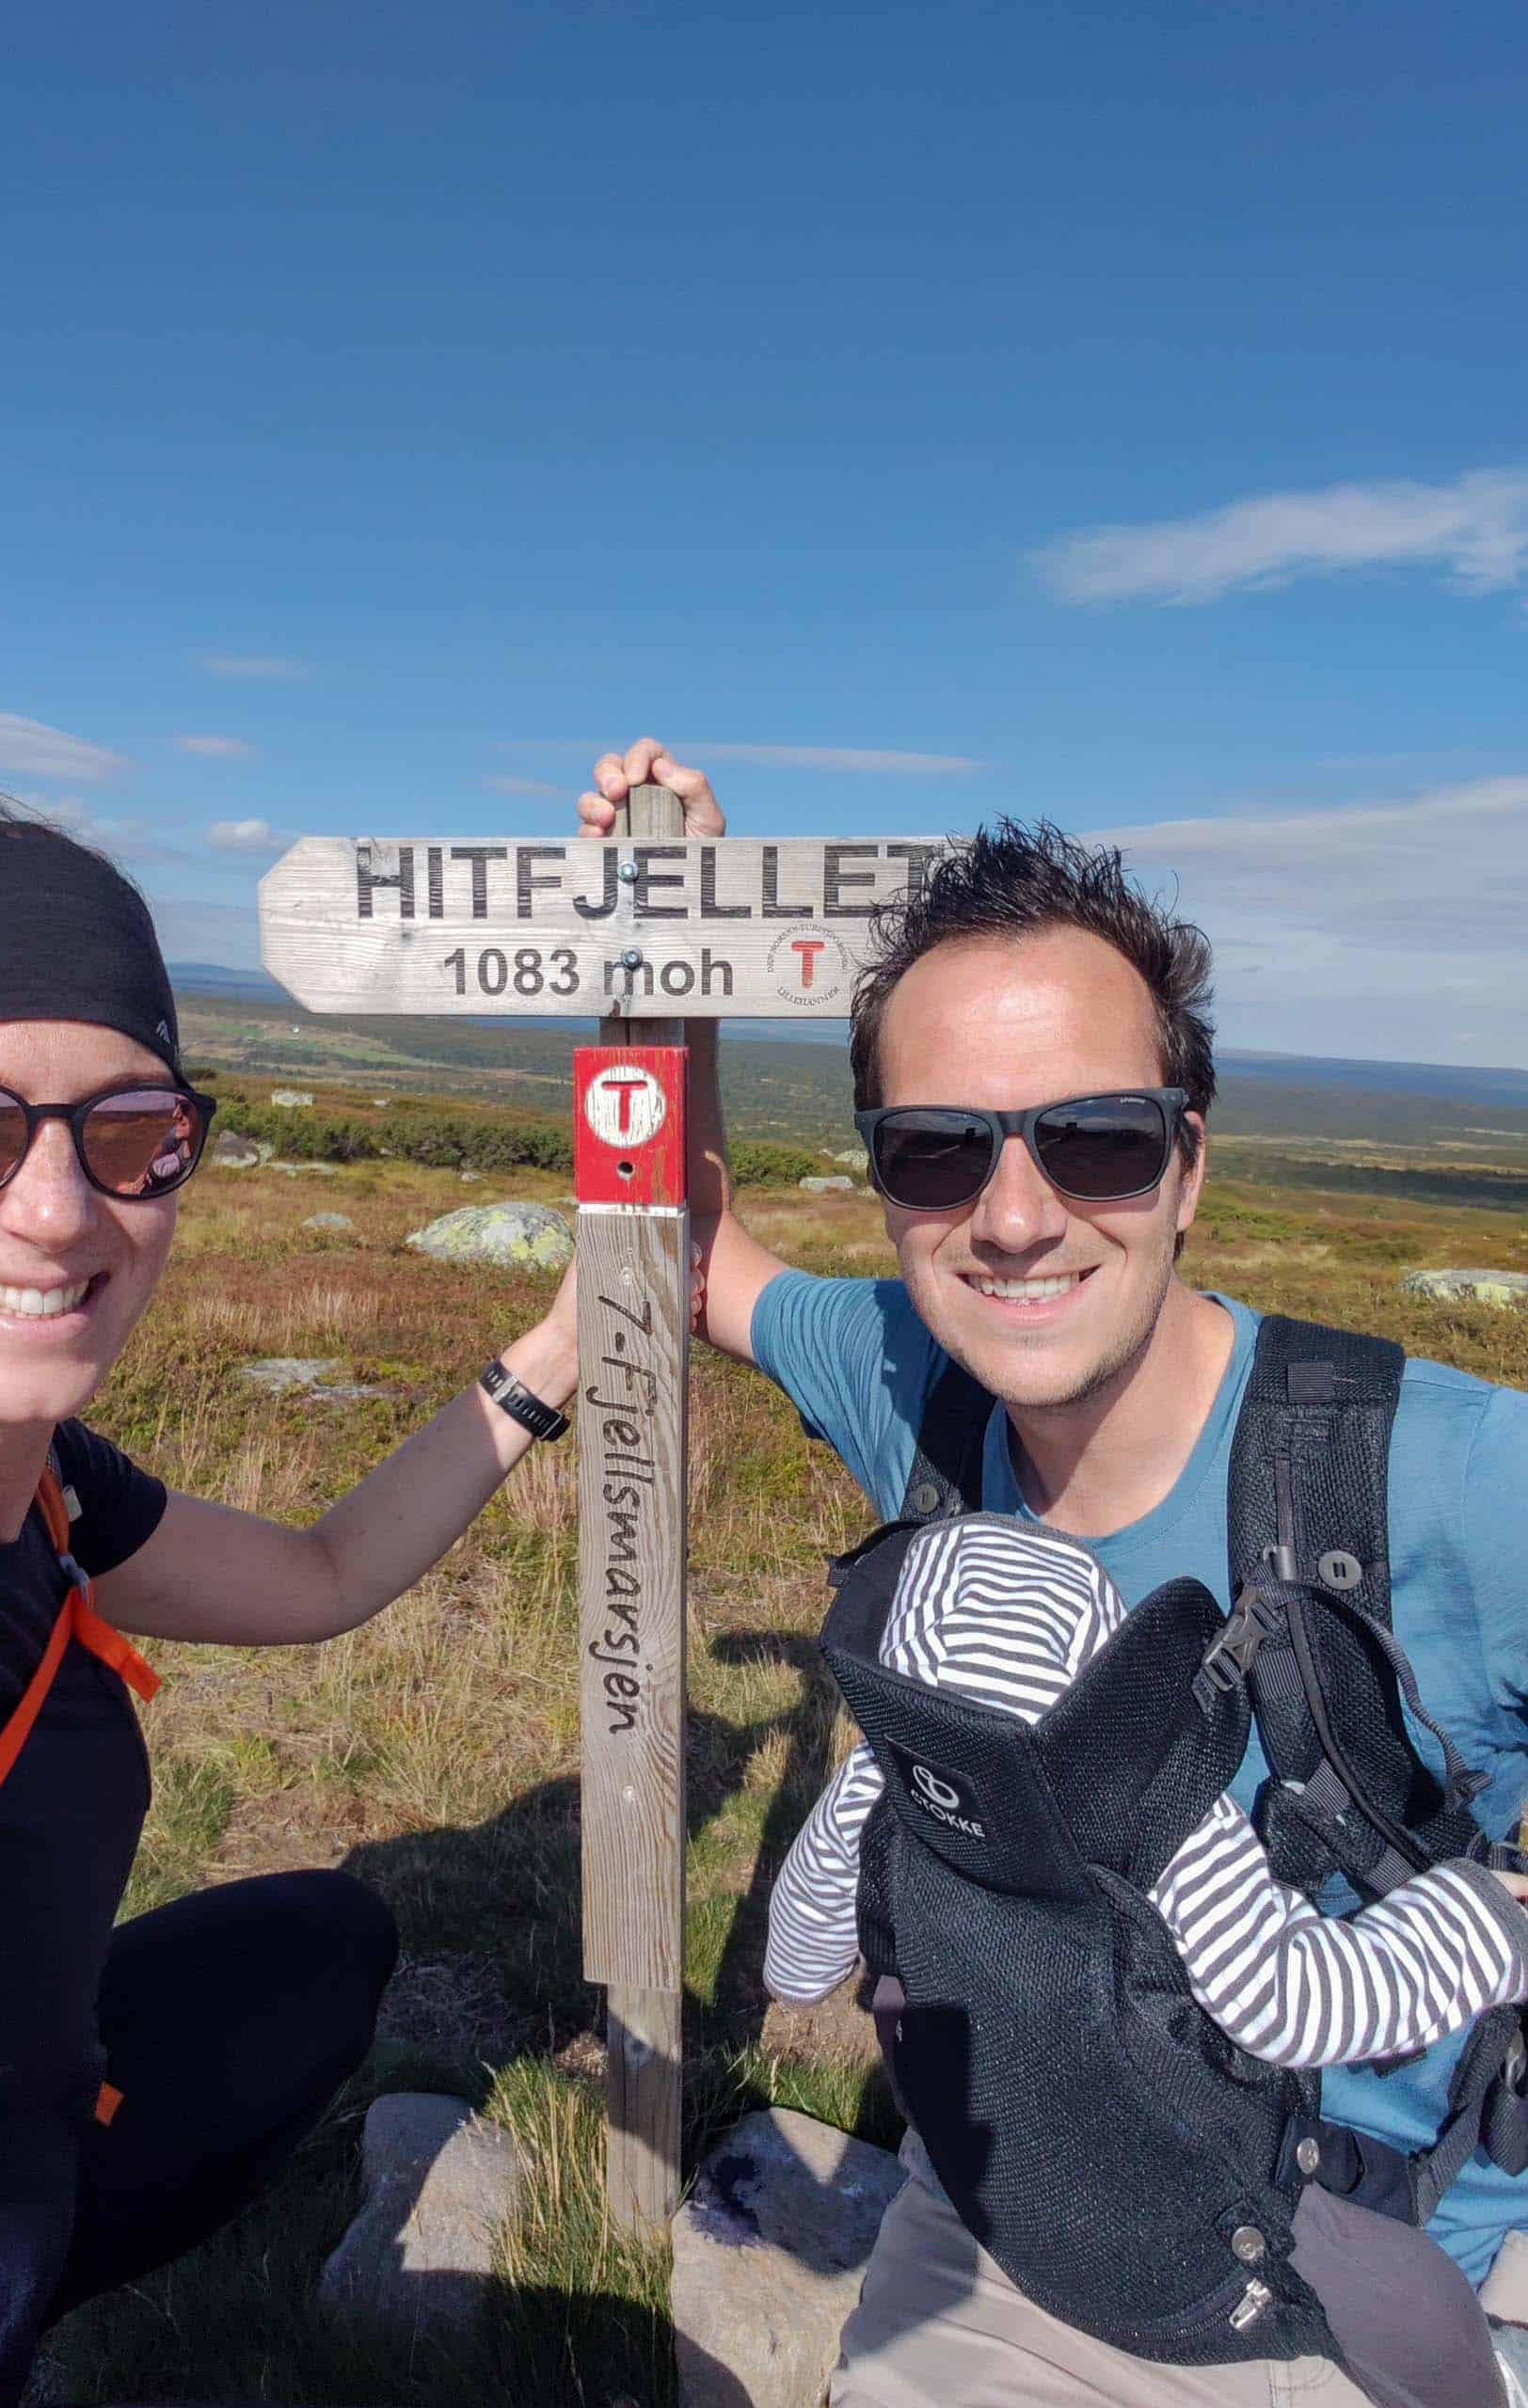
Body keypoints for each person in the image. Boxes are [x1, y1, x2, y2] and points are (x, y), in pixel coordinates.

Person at [577, 740, 1528, 2408]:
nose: (1012, 1218)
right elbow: (685, 1249)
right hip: (1001, 2181)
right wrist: (679, 947)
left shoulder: (1436, 1468)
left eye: (1093, 1139)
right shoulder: (914, 1376)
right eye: (937, 1150)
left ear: (1189, 1164)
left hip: (1324, 2277)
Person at [0, 781, 581, 2408]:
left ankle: (17, 2283)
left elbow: (325, 1577)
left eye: (130, 1132)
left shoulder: (38, 1480)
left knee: (321, 1949)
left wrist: (556, 1352)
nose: (55, 1207)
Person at [767, 1512, 1528, 2072]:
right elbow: (1293, 2006)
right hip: (1131, 2178)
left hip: (967, 2129)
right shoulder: (1156, 1815)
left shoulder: (881, 1781)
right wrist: (1488, 1925)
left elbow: (795, 1971)